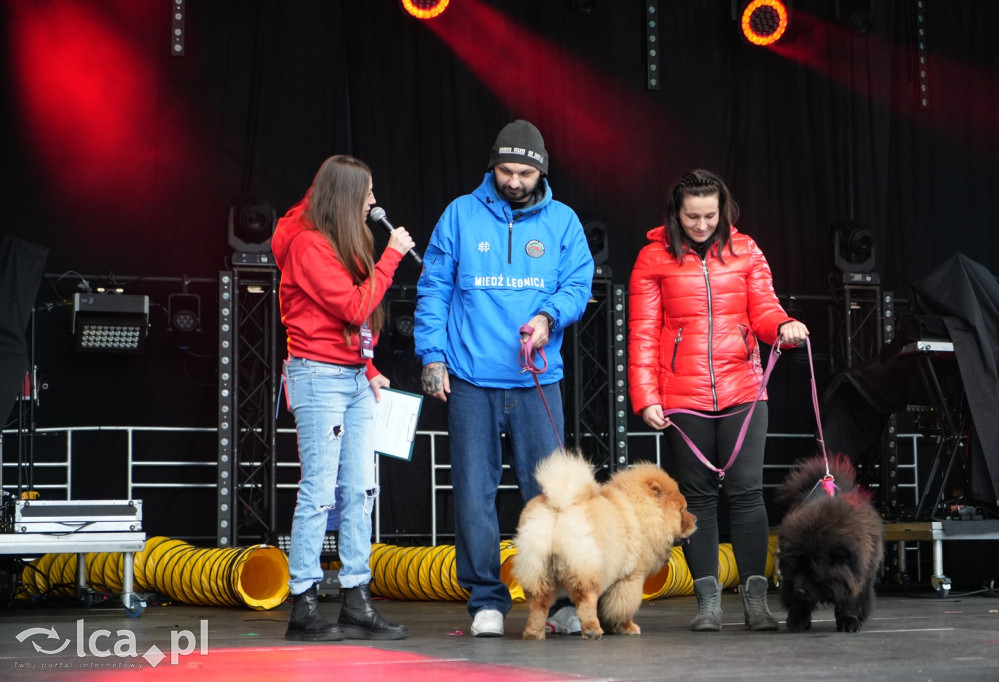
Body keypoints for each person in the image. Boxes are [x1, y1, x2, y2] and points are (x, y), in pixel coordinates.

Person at [414, 120, 595, 637]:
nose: (513, 181)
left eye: (524, 172)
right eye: (505, 170)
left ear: (541, 171)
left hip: (538, 380)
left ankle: (560, 600)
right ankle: (487, 600)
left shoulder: (563, 221)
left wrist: (547, 318)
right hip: (472, 379)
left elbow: (578, 285)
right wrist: (432, 356)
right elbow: (433, 290)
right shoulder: (459, 215)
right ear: (491, 166)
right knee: (474, 492)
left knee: (554, 496)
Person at [627, 169, 809, 633]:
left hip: (743, 390)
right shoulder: (652, 258)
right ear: (676, 212)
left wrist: (784, 325)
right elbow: (643, 333)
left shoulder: (746, 250)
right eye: (693, 216)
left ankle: (756, 603)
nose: (702, 224)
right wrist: (646, 396)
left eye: (710, 215)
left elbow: (764, 309)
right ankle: (707, 604)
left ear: (723, 210)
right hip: (682, 395)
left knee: (747, 494)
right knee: (699, 501)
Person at [272, 154, 416, 642]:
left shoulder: (339, 242)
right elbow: (354, 304)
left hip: (352, 377)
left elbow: (351, 325)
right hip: (318, 378)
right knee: (319, 492)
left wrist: (370, 368)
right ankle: (304, 603)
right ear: (347, 195)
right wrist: (392, 255)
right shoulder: (308, 246)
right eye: (368, 193)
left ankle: (357, 598)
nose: (374, 203)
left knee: (361, 490)